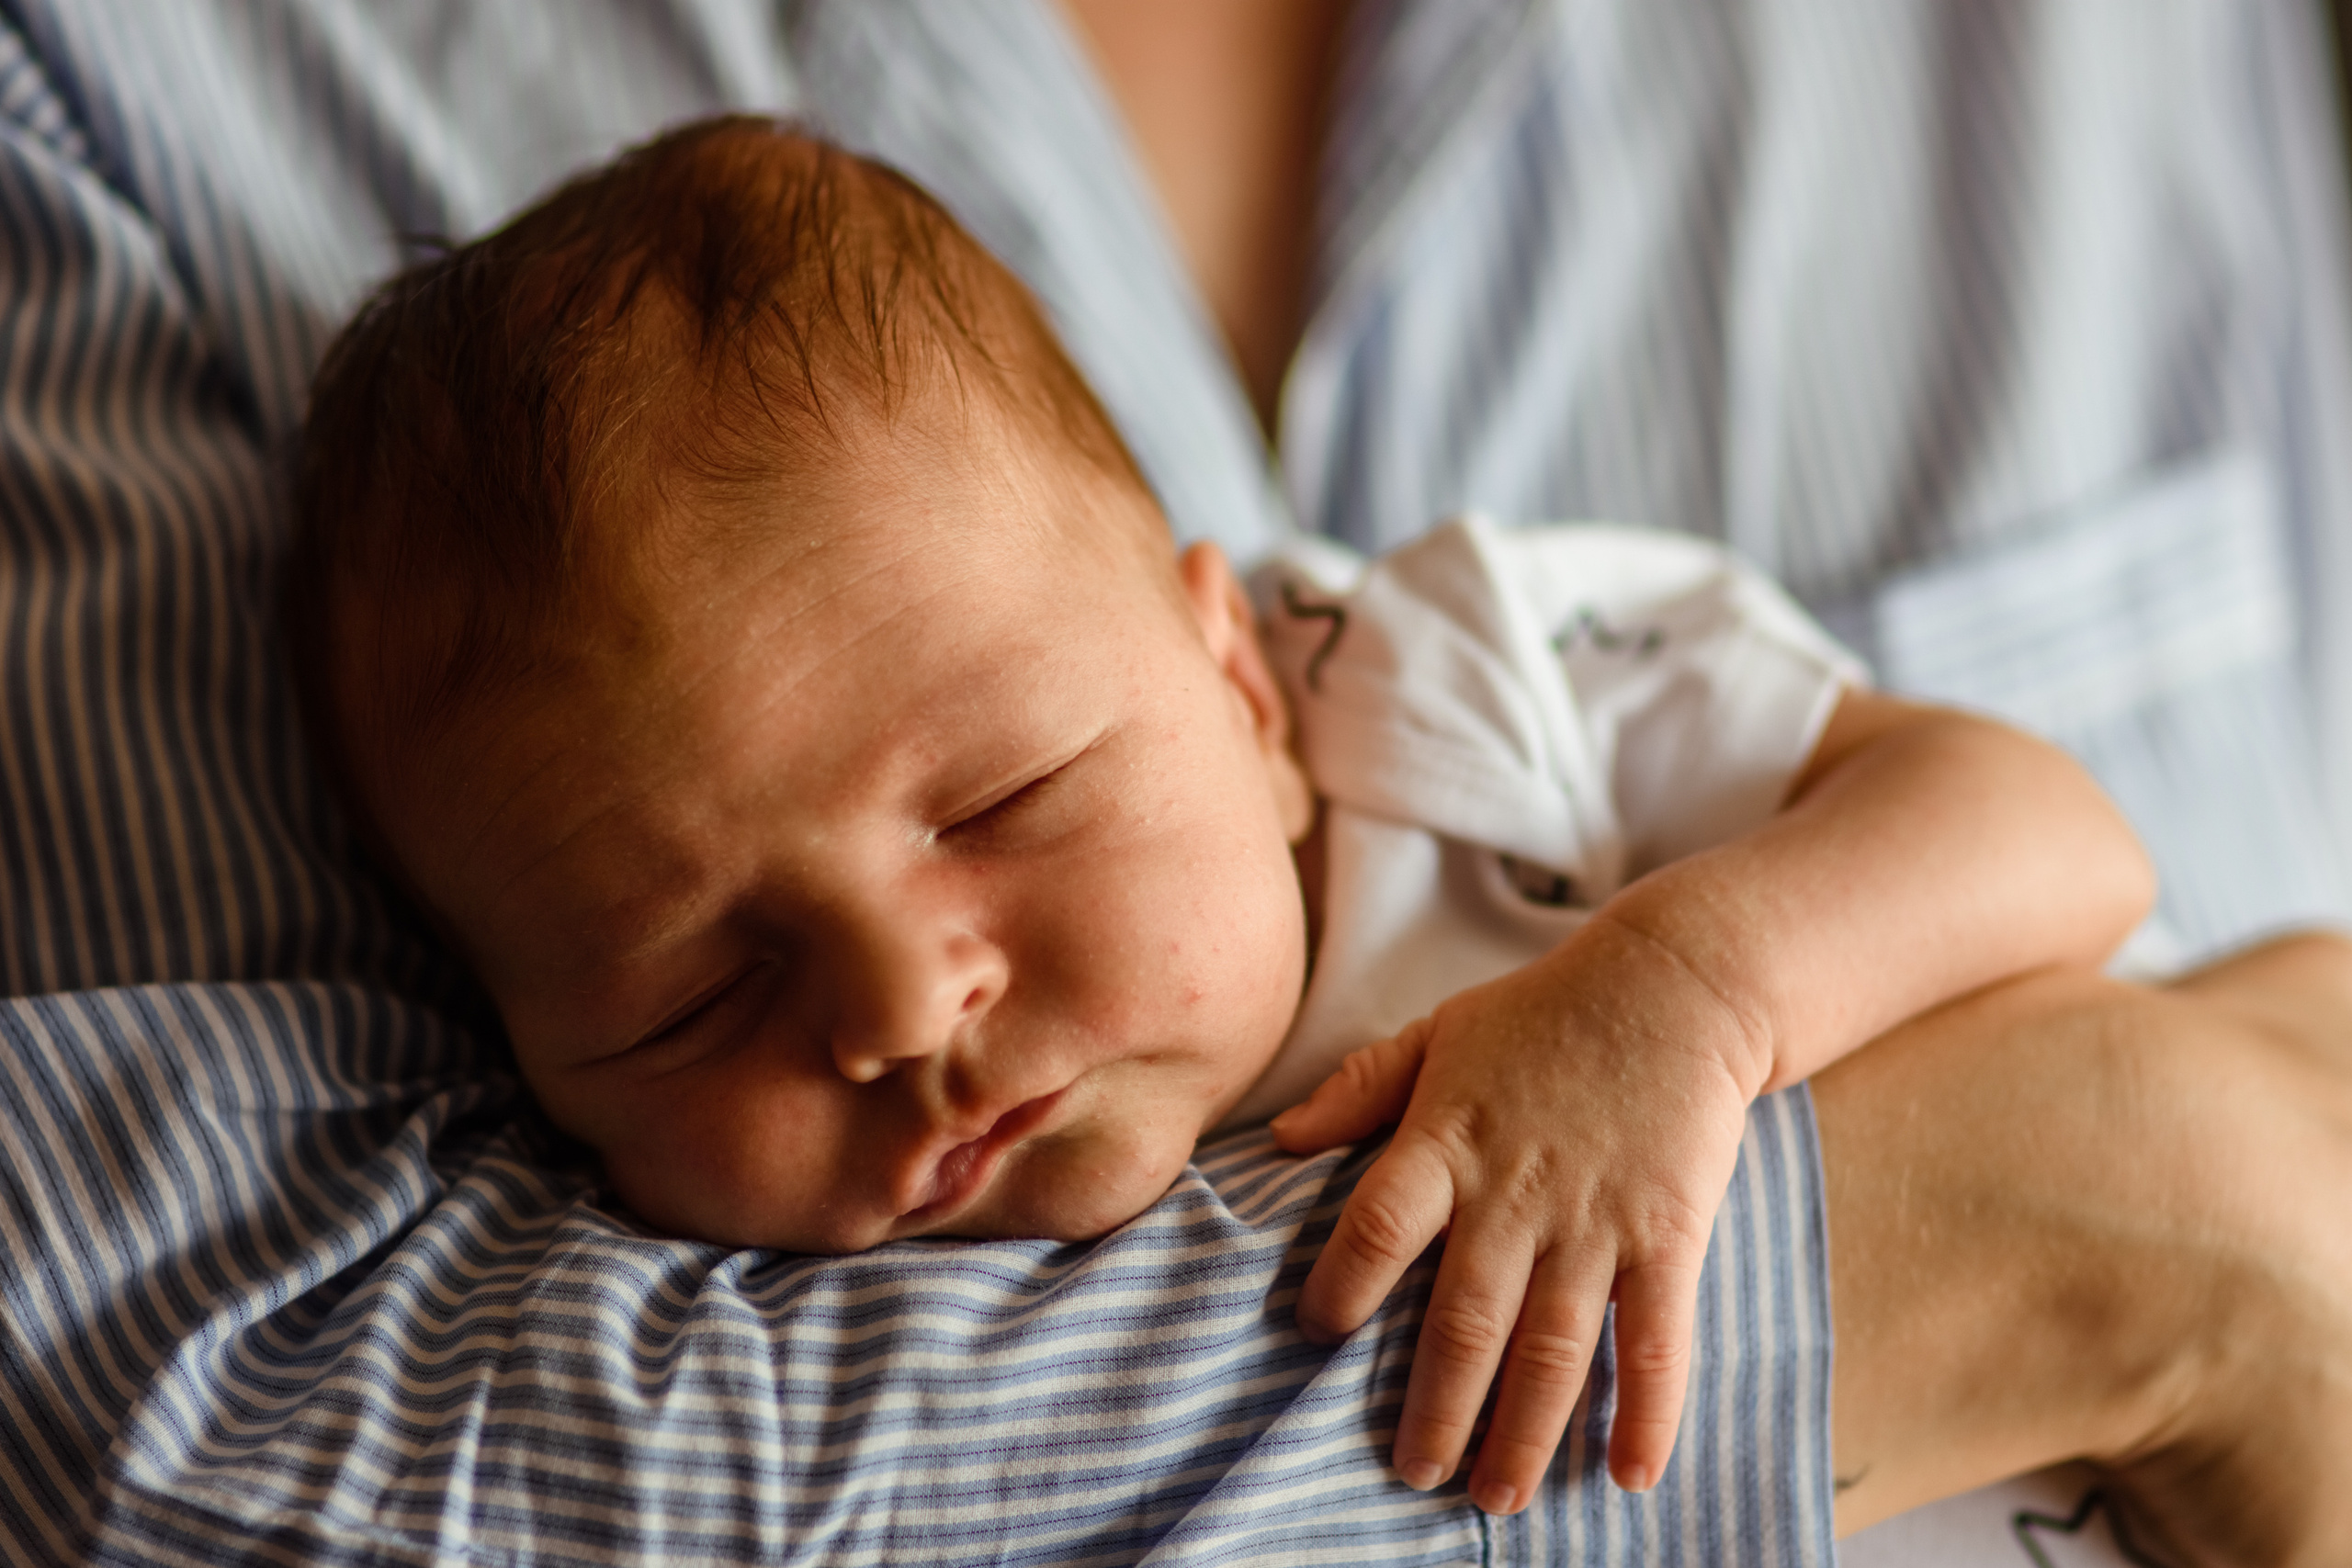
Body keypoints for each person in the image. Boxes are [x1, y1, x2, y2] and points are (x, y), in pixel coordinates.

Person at [6, 5, 2352, 1564]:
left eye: (1001, 797)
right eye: (685, 1001)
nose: (897, 1008)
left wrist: (1691, 989)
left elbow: (2053, 832)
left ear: (1235, 664)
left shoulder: (1459, 679)